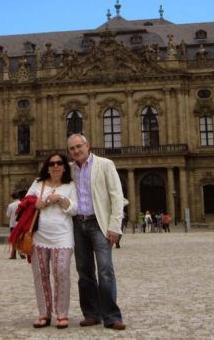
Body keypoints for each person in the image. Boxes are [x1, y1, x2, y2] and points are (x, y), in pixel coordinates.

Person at [67, 133, 126, 331]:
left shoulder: (105, 164)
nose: (76, 151)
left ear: (87, 145)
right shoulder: (69, 170)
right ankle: (91, 314)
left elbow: (116, 196)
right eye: (72, 148)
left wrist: (114, 226)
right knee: (84, 272)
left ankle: (111, 316)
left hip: (99, 224)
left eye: (78, 146)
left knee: (105, 270)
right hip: (78, 224)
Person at [26, 153, 78, 329]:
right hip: (39, 236)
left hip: (63, 236)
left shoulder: (71, 185)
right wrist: (36, 203)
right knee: (40, 276)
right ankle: (44, 313)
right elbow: (26, 202)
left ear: (65, 167)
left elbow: (75, 209)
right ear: (47, 167)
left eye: (59, 163)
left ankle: (61, 313)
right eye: (52, 163)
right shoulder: (38, 183)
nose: (55, 166)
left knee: (61, 272)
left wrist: (60, 199)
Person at [6, 190, 22, 260]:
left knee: (14, 240)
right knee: (21, 239)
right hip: (21, 224)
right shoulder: (22, 203)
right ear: (19, 197)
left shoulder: (11, 205)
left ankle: (13, 254)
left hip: (13, 225)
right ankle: (22, 253)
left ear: (12, 197)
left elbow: (8, 215)